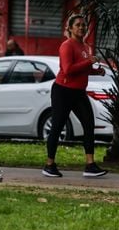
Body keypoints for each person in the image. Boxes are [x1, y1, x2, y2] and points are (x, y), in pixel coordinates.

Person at [43, 14, 108, 178]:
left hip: (79, 92)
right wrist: (89, 62)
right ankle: (49, 165)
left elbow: (82, 69)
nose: (82, 28)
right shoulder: (67, 46)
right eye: (78, 25)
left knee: (88, 124)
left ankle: (90, 165)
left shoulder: (85, 47)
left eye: (84, 25)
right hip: (63, 91)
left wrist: (96, 71)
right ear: (70, 28)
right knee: (57, 126)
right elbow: (68, 69)